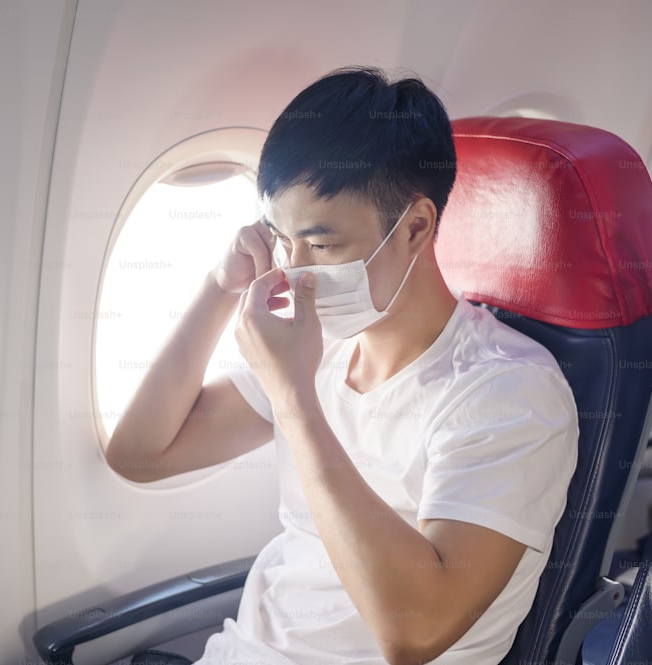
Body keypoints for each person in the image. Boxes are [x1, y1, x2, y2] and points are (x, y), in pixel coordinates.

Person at [107, 66, 578, 665]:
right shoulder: (323, 345)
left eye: (323, 246)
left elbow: (415, 631)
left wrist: (294, 398)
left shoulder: (507, 391)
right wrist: (220, 287)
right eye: (282, 240)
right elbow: (141, 455)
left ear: (415, 227)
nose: (293, 271)